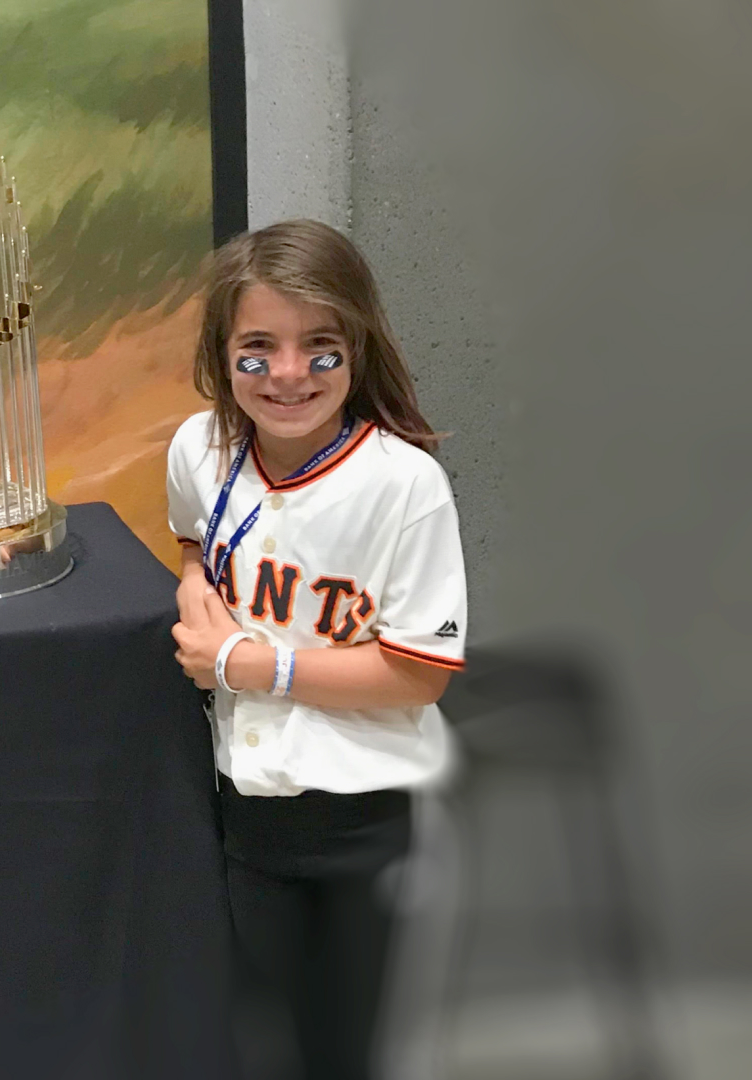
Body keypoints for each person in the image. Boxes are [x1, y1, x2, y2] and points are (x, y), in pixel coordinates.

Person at [166, 220, 466, 1080]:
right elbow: (194, 538)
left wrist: (254, 667)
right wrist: (193, 582)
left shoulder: (404, 486)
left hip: (359, 826)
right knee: (258, 1042)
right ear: (221, 357)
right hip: (241, 813)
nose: (288, 373)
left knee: (342, 1052)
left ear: (357, 348)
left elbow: (417, 675)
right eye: (257, 350)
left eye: (319, 349)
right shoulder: (201, 449)